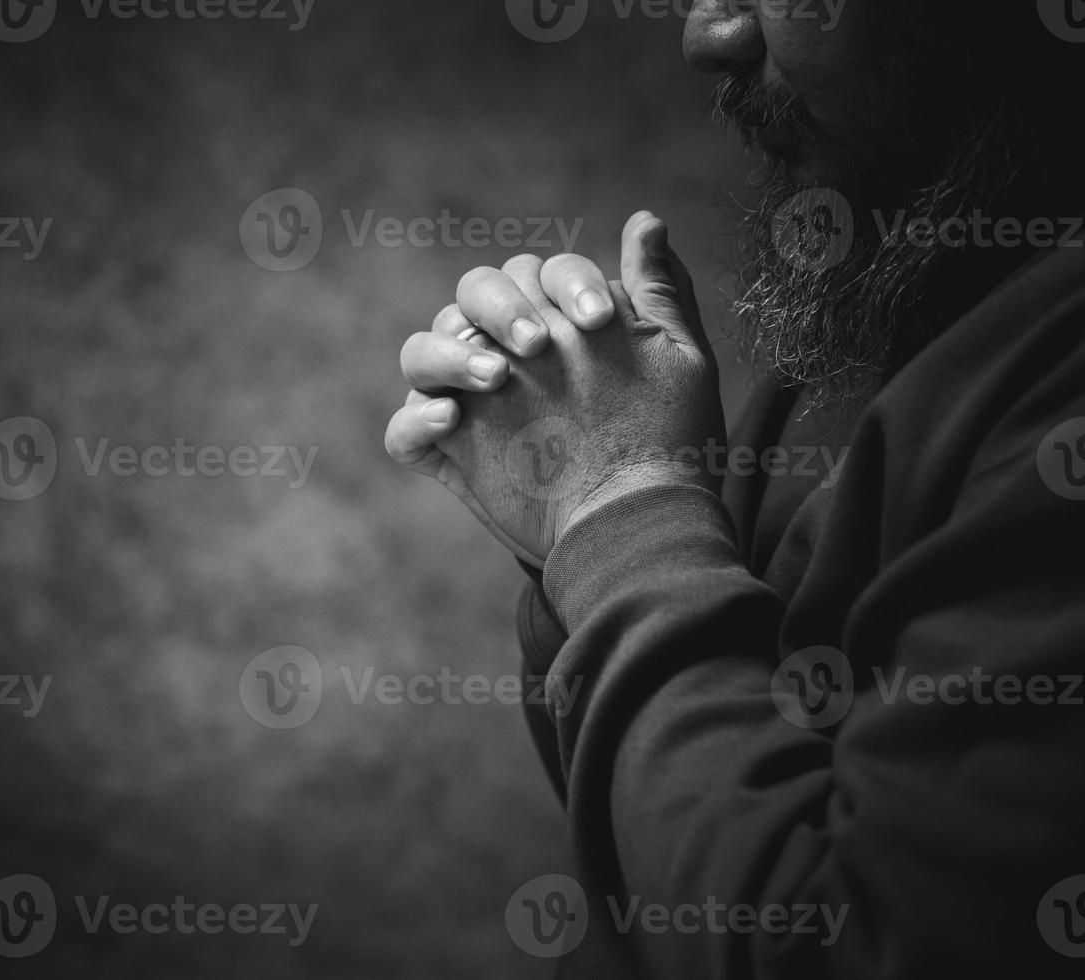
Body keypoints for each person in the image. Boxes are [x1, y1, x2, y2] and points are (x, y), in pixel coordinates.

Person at [385, 2, 1085, 976]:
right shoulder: (891, 303)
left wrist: (623, 508)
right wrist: (582, 537)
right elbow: (658, 862)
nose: (707, 35)